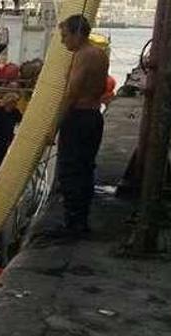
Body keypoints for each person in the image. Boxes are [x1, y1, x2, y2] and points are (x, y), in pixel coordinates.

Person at [56, 14, 109, 236]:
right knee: (85, 168)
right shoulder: (100, 54)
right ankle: (80, 219)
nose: (63, 41)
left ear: (78, 33)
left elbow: (72, 93)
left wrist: (55, 125)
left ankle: (74, 222)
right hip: (94, 116)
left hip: (79, 117)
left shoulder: (83, 55)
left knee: (70, 169)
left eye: (65, 35)